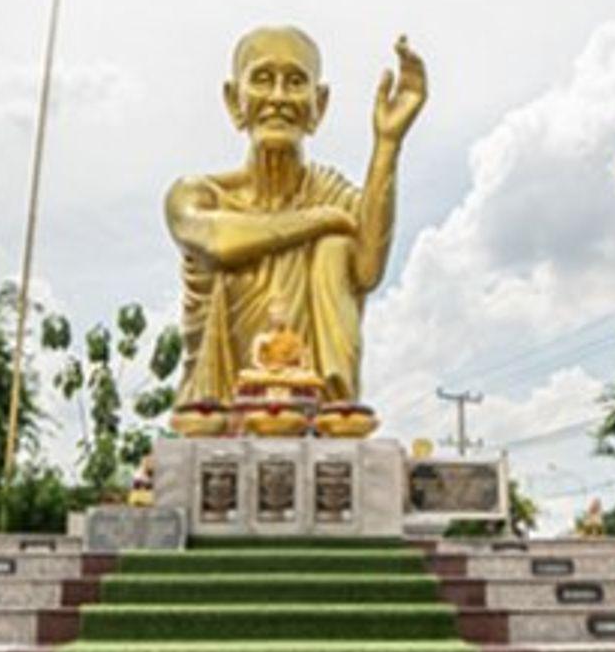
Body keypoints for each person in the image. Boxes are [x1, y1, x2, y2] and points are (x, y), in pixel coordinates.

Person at [166, 27, 426, 404]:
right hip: (219, 420)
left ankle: (335, 403)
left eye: (295, 82)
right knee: (333, 236)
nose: (278, 97)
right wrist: (318, 220)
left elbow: (367, 269)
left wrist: (387, 144)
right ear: (233, 100)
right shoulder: (198, 194)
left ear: (318, 104)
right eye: (261, 79)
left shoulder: (333, 198)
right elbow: (219, 242)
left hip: (319, 428)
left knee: (335, 249)